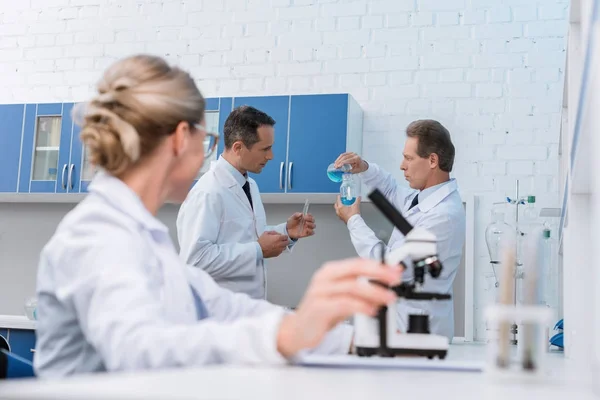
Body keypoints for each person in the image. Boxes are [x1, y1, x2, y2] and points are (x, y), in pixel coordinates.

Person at [33, 55, 401, 377]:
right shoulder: (98, 236)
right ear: (180, 139)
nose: (206, 153)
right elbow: (142, 350)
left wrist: (343, 338)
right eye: (206, 141)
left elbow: (220, 305)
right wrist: (280, 337)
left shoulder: (139, 232)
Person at [333, 119, 466, 341]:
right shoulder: (421, 198)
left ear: (432, 160)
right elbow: (390, 188)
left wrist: (353, 220)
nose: (402, 165)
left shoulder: (442, 216)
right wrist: (363, 167)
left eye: (409, 158)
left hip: (419, 334)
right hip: (402, 328)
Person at [176, 106, 314, 300]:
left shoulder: (250, 185)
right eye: (265, 149)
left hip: (245, 311)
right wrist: (257, 250)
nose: (271, 156)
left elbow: (247, 236)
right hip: (217, 314)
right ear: (238, 147)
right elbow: (195, 259)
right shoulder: (208, 192)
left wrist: (286, 232)